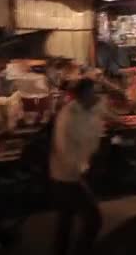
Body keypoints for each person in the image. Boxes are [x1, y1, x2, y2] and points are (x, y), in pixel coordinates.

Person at [49, 78, 110, 255]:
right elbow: (64, 151)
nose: (95, 95)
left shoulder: (88, 109)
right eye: (92, 92)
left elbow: (102, 115)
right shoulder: (68, 117)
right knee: (94, 220)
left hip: (72, 174)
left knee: (65, 219)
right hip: (67, 176)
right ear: (82, 95)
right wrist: (82, 173)